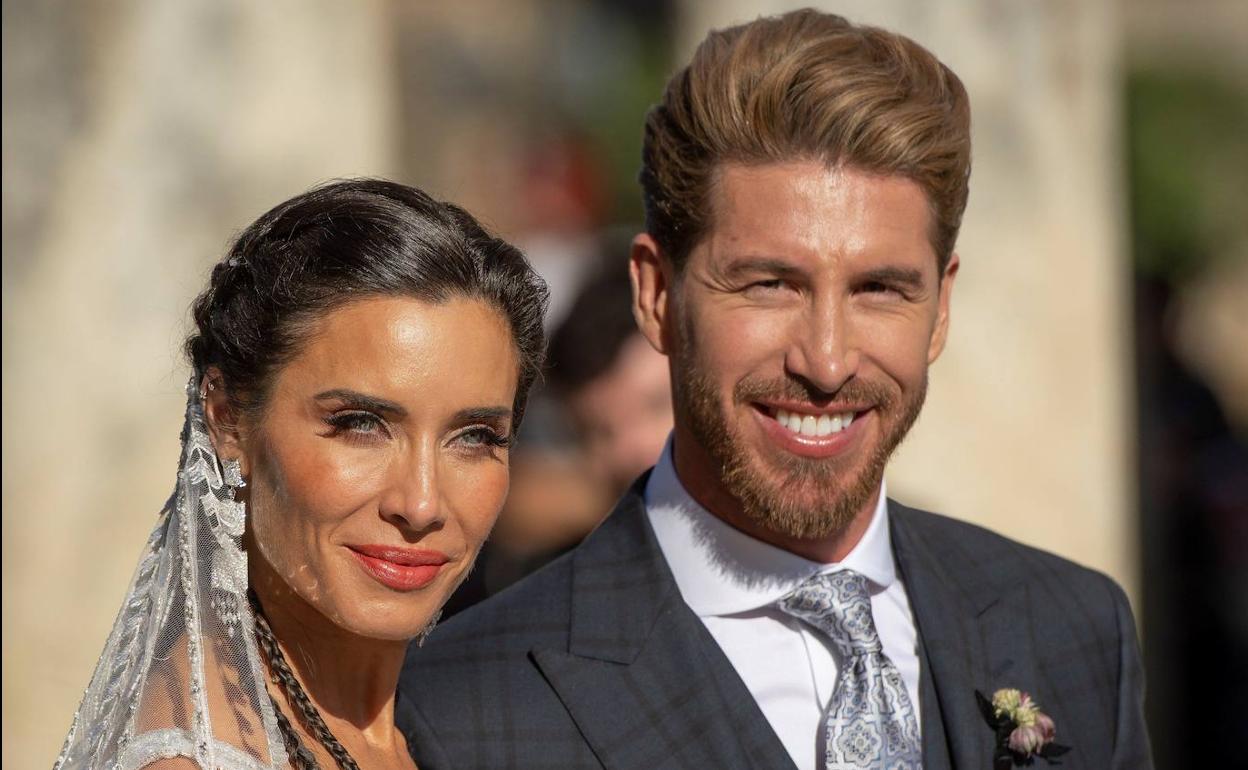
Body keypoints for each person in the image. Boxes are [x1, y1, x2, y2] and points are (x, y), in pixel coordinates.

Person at [398, 10, 1152, 770]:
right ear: (657, 295)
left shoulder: (1073, 629)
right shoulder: (461, 711)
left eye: (880, 289)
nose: (826, 362)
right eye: (769, 285)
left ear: (941, 308)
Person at [54, 179, 548, 769]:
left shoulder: (456, 729)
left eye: (475, 437)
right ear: (229, 419)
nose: (421, 504)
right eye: (361, 424)